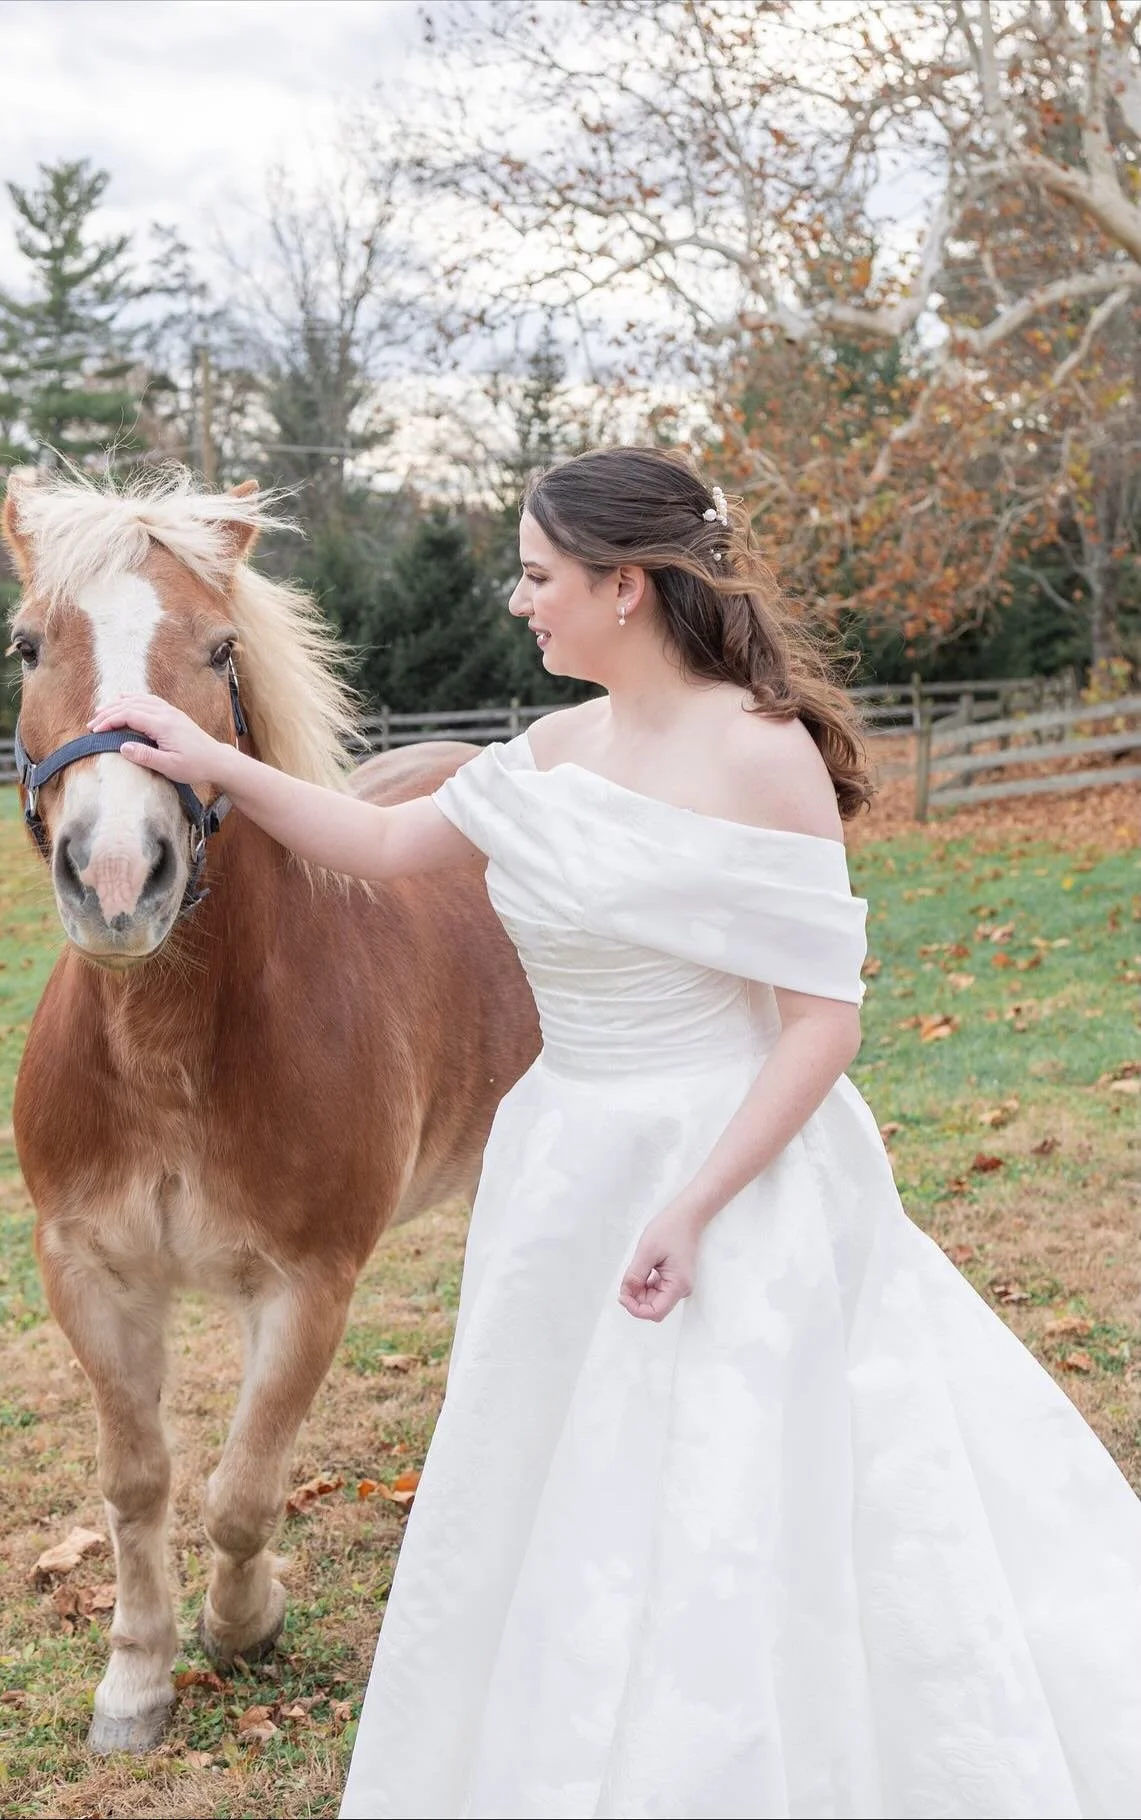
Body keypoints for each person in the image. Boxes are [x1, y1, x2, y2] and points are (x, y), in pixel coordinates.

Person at [91, 446, 1141, 1819]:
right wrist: (208, 759)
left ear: (626, 587)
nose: (518, 601)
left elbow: (822, 1024)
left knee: (735, 1488)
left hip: (733, 1170)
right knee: (559, 1485)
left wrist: (698, 1203)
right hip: (561, 1175)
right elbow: (379, 845)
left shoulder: (762, 760)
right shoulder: (549, 752)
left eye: (539, 576)